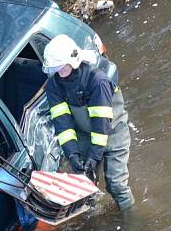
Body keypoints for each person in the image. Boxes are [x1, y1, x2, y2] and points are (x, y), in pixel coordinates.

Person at [42, 34, 134, 210]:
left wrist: (94, 157)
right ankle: (91, 212)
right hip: (84, 133)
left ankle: (131, 219)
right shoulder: (54, 86)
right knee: (82, 184)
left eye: (61, 67)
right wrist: (73, 154)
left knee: (116, 184)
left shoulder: (97, 81)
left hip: (113, 132)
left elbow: (101, 125)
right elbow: (63, 123)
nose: (58, 73)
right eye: (54, 69)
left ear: (73, 61)